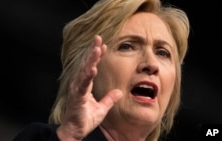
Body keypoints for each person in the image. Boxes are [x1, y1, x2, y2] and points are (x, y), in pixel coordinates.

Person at [13, 0, 190, 140]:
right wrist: (70, 135)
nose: (151, 64)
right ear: (87, 70)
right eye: (127, 46)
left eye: (163, 53)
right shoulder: (42, 137)